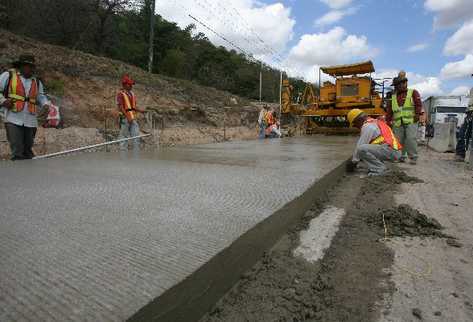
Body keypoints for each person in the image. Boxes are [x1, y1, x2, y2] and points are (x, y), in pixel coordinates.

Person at [0, 54, 51, 160]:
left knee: (27, 150)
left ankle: (28, 174)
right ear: (21, 66)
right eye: (29, 66)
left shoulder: (36, 81)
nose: (31, 69)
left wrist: (45, 104)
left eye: (33, 66)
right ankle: (18, 173)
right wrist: (3, 101)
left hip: (30, 121)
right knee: (17, 149)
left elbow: (40, 96)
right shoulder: (8, 75)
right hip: (12, 118)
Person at [346, 108, 402, 176]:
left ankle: (380, 169)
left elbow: (360, 146)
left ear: (358, 120)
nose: (356, 127)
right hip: (393, 150)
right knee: (369, 148)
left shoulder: (367, 126)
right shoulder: (375, 122)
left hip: (391, 150)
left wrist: (353, 162)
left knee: (361, 149)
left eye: (355, 124)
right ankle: (380, 166)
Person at [386, 71, 423, 164]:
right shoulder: (393, 96)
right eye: (395, 85)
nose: (396, 87)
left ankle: (413, 157)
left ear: (405, 83)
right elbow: (389, 110)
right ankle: (400, 157)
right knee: (398, 140)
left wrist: (417, 115)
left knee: (410, 139)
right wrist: (388, 121)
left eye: (398, 85)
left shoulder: (413, 92)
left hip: (411, 120)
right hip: (398, 122)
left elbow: (418, 105)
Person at [116, 74, 145, 151]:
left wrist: (141, 111)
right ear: (124, 85)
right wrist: (127, 116)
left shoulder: (132, 94)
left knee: (136, 136)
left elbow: (133, 107)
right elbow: (120, 107)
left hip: (133, 118)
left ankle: (135, 155)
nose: (131, 86)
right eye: (130, 84)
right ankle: (123, 155)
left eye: (132, 84)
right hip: (125, 119)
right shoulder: (120, 94)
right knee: (124, 137)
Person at [455, 86, 473, 162]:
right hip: (470, 113)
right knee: (463, 134)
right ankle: (460, 154)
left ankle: (462, 154)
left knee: (464, 134)